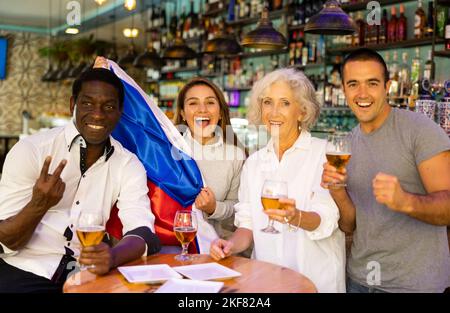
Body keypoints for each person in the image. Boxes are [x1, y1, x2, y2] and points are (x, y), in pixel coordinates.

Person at [0, 67, 161, 293]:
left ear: (120, 111)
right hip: (24, 269)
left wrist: (113, 256)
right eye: (87, 103)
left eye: (109, 106)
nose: (97, 114)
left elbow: (143, 232)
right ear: (72, 105)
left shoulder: (128, 163)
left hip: (86, 273)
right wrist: (39, 204)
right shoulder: (32, 150)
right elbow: (6, 241)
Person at [321, 48, 450, 293]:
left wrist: (406, 202)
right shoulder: (348, 144)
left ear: (387, 86)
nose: (362, 94)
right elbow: (351, 226)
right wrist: (337, 191)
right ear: (344, 90)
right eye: (353, 84)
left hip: (413, 285)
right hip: (359, 281)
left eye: (372, 83)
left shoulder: (419, 130)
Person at [209, 68, 346, 293]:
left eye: (285, 103)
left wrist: (296, 217)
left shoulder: (325, 154)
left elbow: (328, 220)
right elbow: (247, 226)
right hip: (267, 282)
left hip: (316, 281)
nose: (274, 112)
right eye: (267, 102)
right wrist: (230, 245)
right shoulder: (253, 163)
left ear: (302, 111)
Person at [172, 77, 249, 255]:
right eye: (193, 103)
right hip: (168, 247)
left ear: (221, 112)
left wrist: (214, 208)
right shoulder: (167, 150)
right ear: (182, 113)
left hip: (212, 251)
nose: (202, 109)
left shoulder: (235, 156)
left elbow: (238, 209)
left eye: (210, 102)